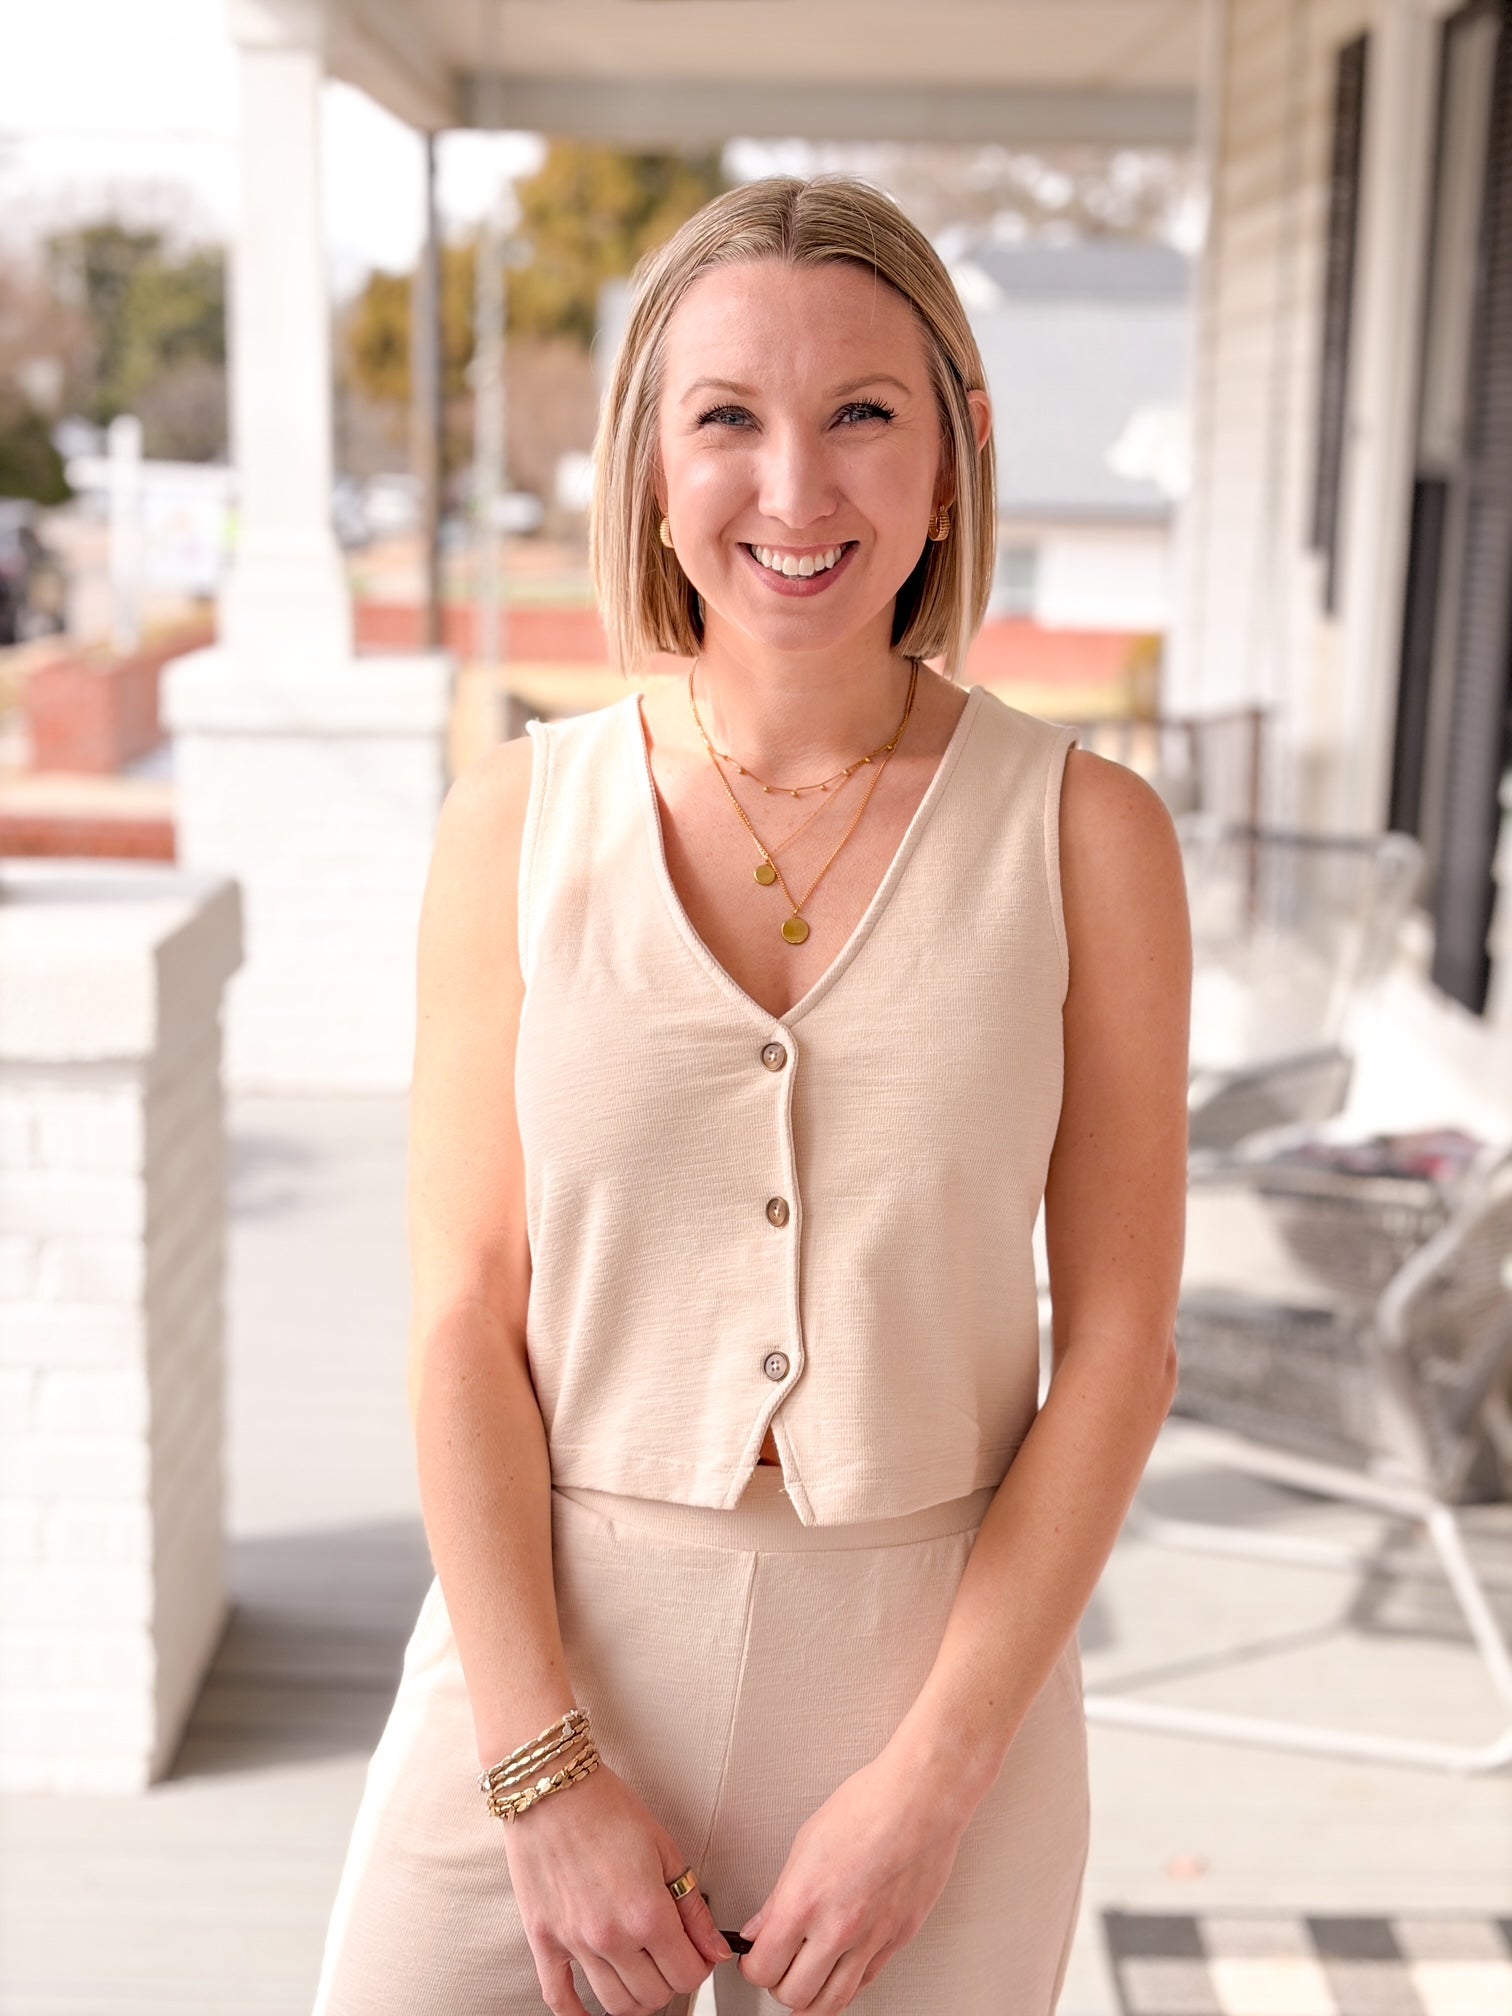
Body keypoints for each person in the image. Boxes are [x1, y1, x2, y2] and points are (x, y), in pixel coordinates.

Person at [310, 173, 1190, 2016]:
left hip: (935, 1695)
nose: (795, 492)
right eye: (728, 419)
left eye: (863, 413)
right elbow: (465, 1314)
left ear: (957, 453)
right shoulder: (519, 824)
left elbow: (1119, 1344)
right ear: (649, 459)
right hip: (549, 1666)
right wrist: (540, 1777)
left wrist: (937, 1782)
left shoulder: (1089, 837)